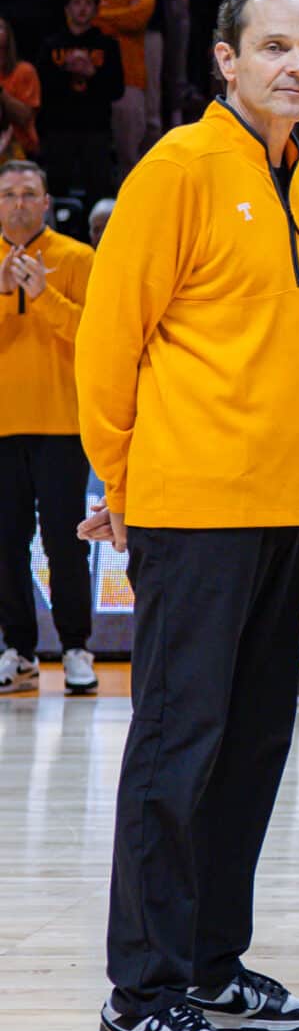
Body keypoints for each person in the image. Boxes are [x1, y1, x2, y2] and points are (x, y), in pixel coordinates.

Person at [76, 0, 299, 1031]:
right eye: (274, 47)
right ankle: (139, 995)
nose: (296, 67)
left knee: (253, 742)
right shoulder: (179, 168)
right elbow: (109, 339)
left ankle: (209, 963)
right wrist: (122, 486)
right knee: (177, 745)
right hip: (193, 505)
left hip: (285, 501)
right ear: (226, 59)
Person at [0, 157, 95, 697]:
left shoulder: (77, 258)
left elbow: (97, 335)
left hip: (62, 423)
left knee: (66, 542)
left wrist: (44, 295)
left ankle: (76, 647)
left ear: (47, 202)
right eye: (8, 194)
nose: (18, 203)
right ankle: (18, 651)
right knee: (5, 544)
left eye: (28, 193)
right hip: (2, 427)